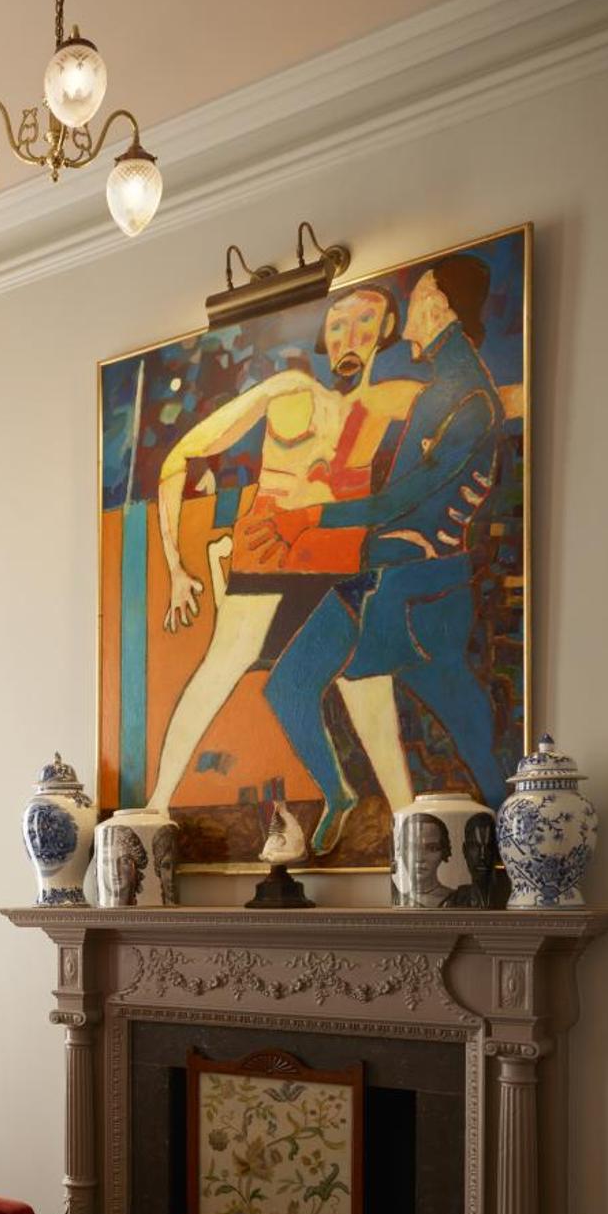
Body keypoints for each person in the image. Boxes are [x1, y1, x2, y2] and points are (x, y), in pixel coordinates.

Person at [260, 256, 509, 853]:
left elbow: (406, 497)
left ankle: (510, 842)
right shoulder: (442, 389)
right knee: (288, 686)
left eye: (420, 295)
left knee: (470, 729)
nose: (411, 316)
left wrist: (316, 514)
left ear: (440, 307)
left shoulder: (471, 400)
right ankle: (340, 793)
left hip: (421, 593)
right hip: (378, 581)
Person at [144, 286, 419, 817]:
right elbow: (180, 457)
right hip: (266, 564)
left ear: (386, 331)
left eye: (366, 322)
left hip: (339, 569)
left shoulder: (384, 403)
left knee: (370, 696)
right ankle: (156, 806)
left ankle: (406, 822)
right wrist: (175, 566)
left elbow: (489, 409)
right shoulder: (290, 390)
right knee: (217, 672)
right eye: (338, 323)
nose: (350, 335)